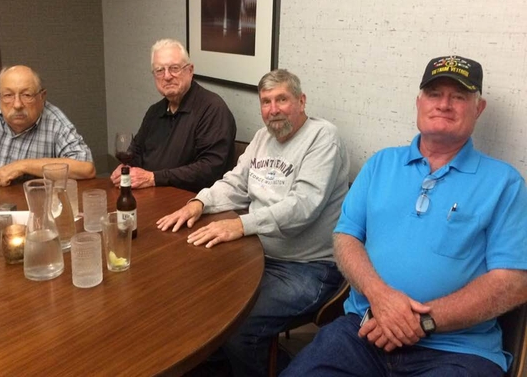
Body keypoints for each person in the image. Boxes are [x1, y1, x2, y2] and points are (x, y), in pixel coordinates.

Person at [282, 55, 527, 377]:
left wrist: (420, 321)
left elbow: (512, 283)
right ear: (419, 102)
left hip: (457, 351)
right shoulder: (380, 164)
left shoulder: (504, 184)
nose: (444, 104)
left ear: (478, 109)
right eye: (434, 94)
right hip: (362, 331)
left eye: (459, 96)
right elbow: (346, 237)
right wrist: (381, 299)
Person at [157, 69, 350, 376]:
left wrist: (241, 225)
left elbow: (303, 207)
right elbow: (235, 183)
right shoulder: (263, 137)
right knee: (199, 296)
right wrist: (200, 202)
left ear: (301, 101)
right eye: (266, 102)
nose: (273, 109)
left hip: (309, 267)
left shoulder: (323, 137)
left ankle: (276, 368)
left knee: (239, 324)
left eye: (282, 99)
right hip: (259, 255)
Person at [110, 38, 236, 193]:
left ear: (190, 71)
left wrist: (154, 178)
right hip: (151, 195)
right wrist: (125, 168)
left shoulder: (212, 109)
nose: (167, 76)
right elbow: (135, 152)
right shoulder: (154, 112)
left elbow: (210, 169)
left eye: (174, 68)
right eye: (159, 70)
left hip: (192, 203)